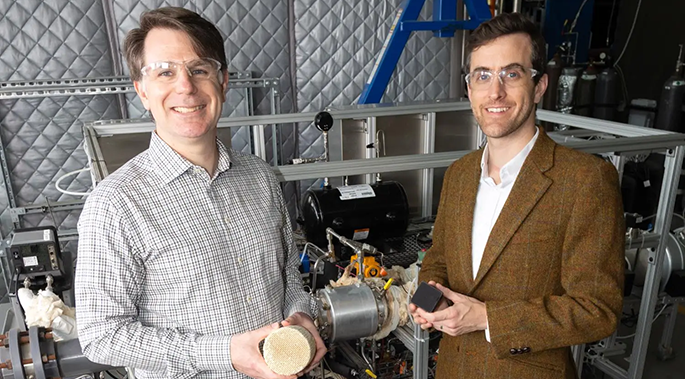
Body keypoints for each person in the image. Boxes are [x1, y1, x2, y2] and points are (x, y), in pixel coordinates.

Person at [75, 7, 325, 379]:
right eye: (165, 72)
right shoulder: (114, 204)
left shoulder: (260, 176)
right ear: (142, 90)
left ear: (222, 82)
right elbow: (101, 336)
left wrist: (302, 314)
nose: (186, 87)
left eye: (199, 69)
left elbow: (288, 271)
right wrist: (223, 352)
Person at [409, 13, 625, 379]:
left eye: (511, 74)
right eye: (482, 76)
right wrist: (430, 299)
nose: (495, 92)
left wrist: (487, 318)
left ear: (539, 85)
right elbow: (439, 260)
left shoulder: (585, 179)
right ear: (469, 87)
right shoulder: (460, 173)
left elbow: (598, 309)